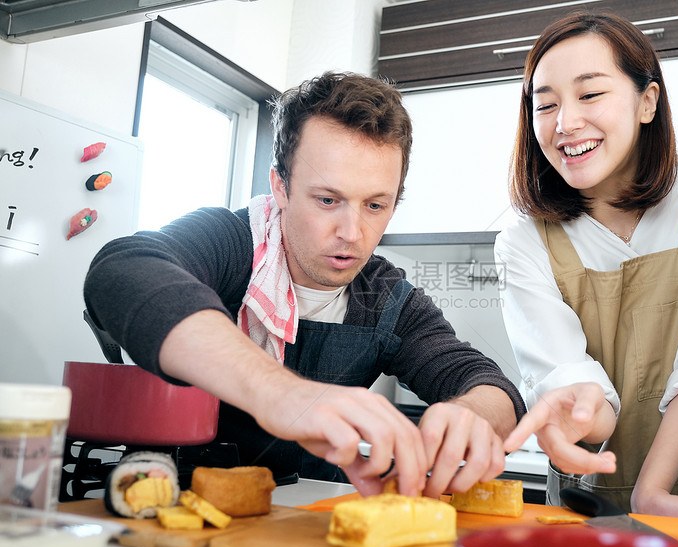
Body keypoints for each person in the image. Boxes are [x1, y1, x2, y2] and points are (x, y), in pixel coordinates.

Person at [83, 71, 529, 499]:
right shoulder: (227, 243)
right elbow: (122, 269)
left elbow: (488, 384)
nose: (352, 232)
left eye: (375, 204)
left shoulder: (385, 298)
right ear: (281, 186)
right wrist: (283, 393)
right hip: (169, 508)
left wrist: (472, 417)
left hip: (304, 525)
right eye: (328, 200)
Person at [496, 12, 678, 524]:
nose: (565, 122)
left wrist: (654, 490)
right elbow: (568, 376)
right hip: (589, 510)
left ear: (647, 102)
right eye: (546, 104)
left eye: (590, 94)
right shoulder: (524, 240)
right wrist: (575, 405)